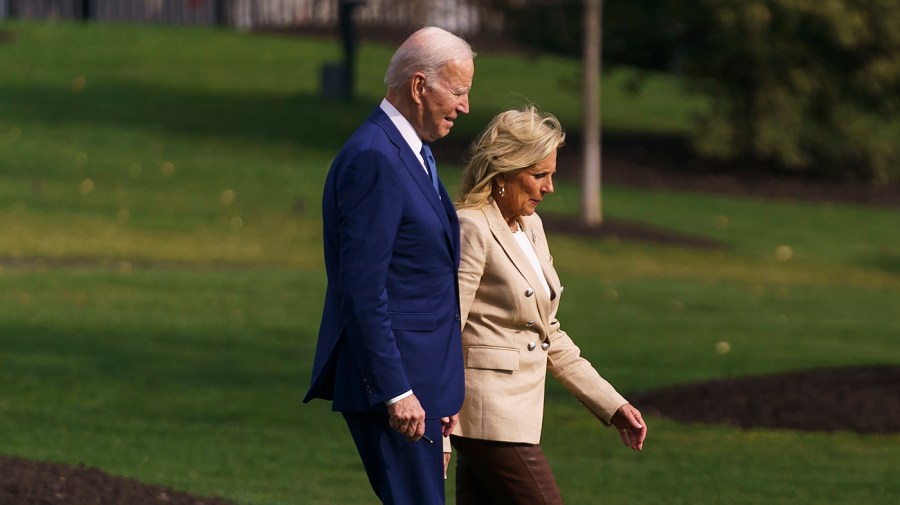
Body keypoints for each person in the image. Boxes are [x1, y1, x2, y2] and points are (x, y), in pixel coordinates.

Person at [303, 26, 475, 505]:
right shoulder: (375, 157)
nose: (464, 107)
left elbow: (422, 276)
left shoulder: (414, 152)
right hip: (398, 393)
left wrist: (441, 390)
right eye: (458, 92)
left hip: (424, 389)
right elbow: (362, 288)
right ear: (419, 87)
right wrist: (397, 391)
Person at [449, 106, 647, 504]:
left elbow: (547, 332)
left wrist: (610, 403)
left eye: (551, 174)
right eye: (539, 175)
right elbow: (445, 325)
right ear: (503, 173)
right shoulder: (470, 226)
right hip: (486, 416)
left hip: (516, 415)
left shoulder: (530, 226)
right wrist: (438, 420)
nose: (549, 187)